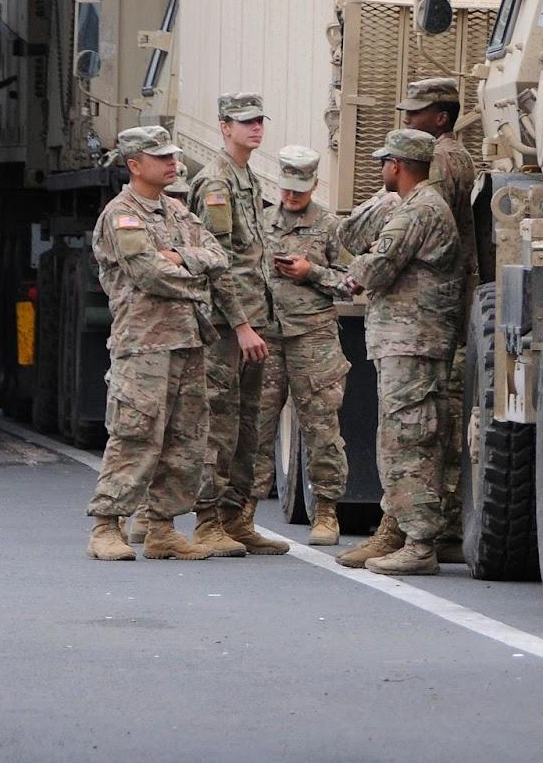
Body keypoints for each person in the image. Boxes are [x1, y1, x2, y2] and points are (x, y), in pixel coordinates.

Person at [85, 126, 228, 562]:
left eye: (172, 156)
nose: (172, 163)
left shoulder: (178, 212)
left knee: (186, 438)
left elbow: (219, 257)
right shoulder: (122, 215)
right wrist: (197, 281)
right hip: (143, 344)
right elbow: (148, 274)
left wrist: (182, 257)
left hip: (187, 340)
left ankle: (162, 527)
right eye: (161, 157)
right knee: (135, 433)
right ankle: (107, 526)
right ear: (134, 165)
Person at [335, 129, 463, 576]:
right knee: (403, 435)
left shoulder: (420, 209)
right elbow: (358, 240)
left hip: (414, 341)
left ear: (397, 165)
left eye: (384, 162)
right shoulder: (415, 205)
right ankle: (401, 531)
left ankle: (421, 541)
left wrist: (353, 271)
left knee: (409, 439)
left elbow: (375, 268)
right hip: (406, 341)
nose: (382, 169)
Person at [186, 92, 284, 557]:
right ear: (224, 127)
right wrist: (242, 324)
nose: (255, 128)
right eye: (245, 122)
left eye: (259, 120)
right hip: (228, 326)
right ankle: (207, 520)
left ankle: (236, 518)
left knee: (249, 425)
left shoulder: (248, 178)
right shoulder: (216, 182)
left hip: (253, 321)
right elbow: (217, 263)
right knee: (219, 423)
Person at [251, 145, 351, 546]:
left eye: (299, 189)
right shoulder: (261, 222)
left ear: (313, 185)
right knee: (256, 426)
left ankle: (326, 511)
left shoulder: (330, 227)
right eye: (286, 188)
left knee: (321, 427)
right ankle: (244, 512)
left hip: (313, 337)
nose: (291, 196)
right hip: (268, 336)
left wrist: (312, 273)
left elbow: (351, 281)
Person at [396, 77, 477, 560]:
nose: (407, 117)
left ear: (441, 118)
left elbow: (428, 224)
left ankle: (433, 527)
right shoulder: (454, 154)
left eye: (417, 112)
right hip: (452, 300)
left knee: (430, 417)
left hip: (437, 304)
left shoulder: (442, 160)